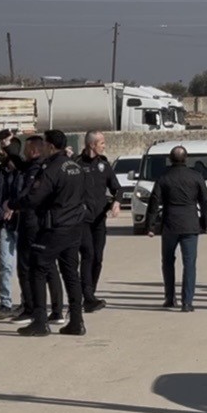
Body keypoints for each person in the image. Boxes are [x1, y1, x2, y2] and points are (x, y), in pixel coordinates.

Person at [7, 130, 87, 336]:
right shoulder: (75, 166)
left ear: (51, 146)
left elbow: (35, 196)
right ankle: (76, 321)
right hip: (74, 226)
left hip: (55, 226)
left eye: (43, 144)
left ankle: (40, 321)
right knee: (71, 273)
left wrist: (13, 204)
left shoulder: (51, 168)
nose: (41, 148)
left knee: (37, 267)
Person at [145, 146, 207, 312]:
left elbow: (154, 201)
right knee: (189, 264)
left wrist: (150, 225)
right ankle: (187, 302)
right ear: (186, 158)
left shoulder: (164, 177)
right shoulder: (196, 176)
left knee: (167, 262)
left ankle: (169, 298)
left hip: (170, 224)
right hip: (190, 224)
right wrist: (205, 222)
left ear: (170, 159)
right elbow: (205, 201)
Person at [12, 135, 65, 326]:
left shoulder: (36, 170)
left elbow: (29, 194)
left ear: (34, 150)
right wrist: (8, 145)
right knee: (49, 267)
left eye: (26, 149)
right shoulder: (46, 166)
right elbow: (19, 163)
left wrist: (13, 204)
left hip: (32, 223)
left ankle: (31, 309)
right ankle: (57, 311)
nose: (23, 153)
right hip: (45, 223)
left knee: (27, 267)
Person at [76, 131, 122, 313]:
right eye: (101, 143)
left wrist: (116, 202)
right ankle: (87, 296)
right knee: (88, 254)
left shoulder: (104, 164)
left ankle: (90, 295)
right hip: (82, 219)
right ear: (91, 145)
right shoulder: (76, 164)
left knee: (98, 258)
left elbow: (117, 188)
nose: (104, 146)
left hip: (99, 219)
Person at [0, 139, 25, 319]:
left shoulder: (24, 171)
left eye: (3, 149)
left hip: (23, 224)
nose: (0, 153)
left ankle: (26, 302)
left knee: (24, 266)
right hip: (4, 224)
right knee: (5, 265)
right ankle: (5, 303)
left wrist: (15, 207)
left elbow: (29, 195)